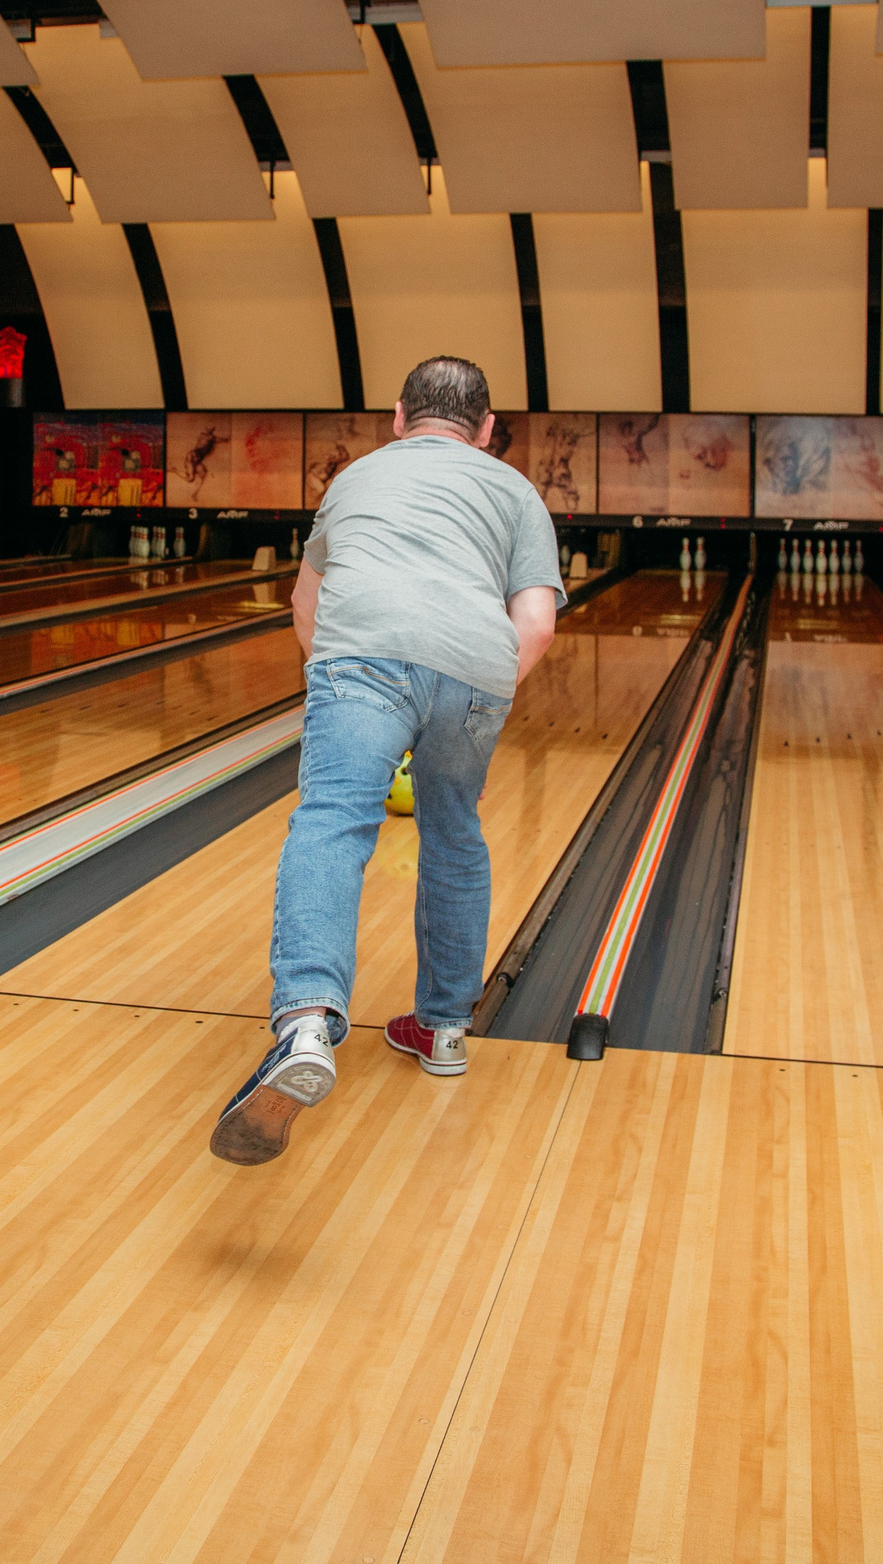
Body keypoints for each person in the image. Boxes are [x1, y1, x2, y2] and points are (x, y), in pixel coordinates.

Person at [211, 356, 564, 1166]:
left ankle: (305, 1022)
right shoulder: (515, 491)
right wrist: (476, 686)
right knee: (452, 829)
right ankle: (441, 1030)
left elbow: (306, 603)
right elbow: (536, 624)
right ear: (485, 429)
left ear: (398, 416)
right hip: (476, 667)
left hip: (360, 655)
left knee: (332, 822)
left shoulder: (354, 477)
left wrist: (342, 683)